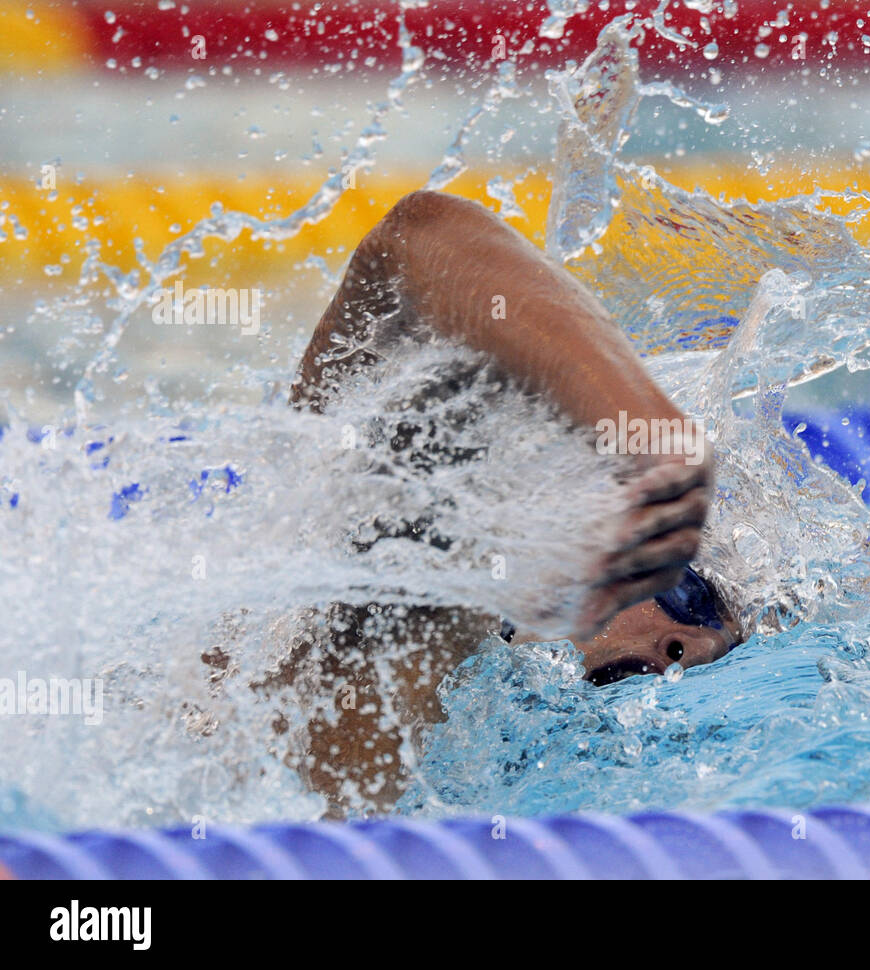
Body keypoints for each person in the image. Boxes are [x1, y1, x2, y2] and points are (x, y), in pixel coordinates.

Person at [278, 190, 744, 814]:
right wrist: (644, 429)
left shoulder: (399, 688)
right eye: (690, 591)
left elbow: (421, 234)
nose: (684, 640)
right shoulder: (378, 613)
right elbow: (415, 238)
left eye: (632, 673)